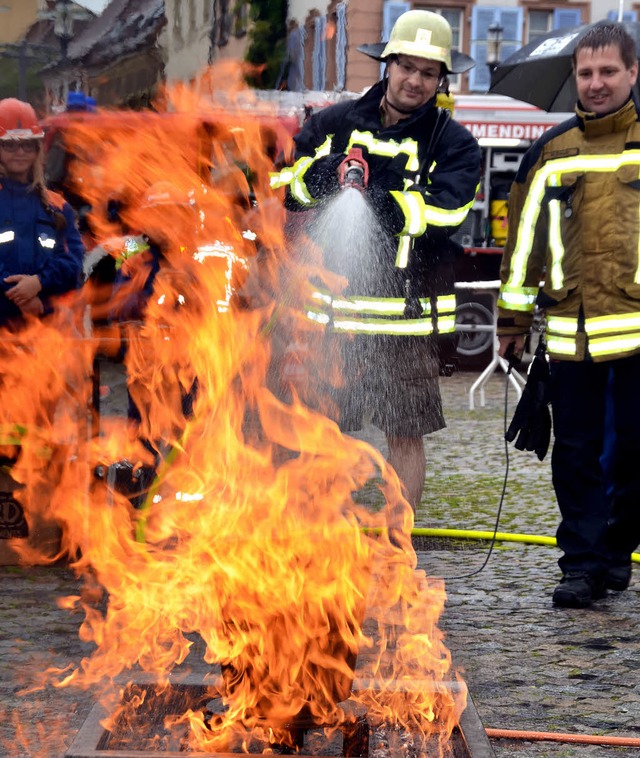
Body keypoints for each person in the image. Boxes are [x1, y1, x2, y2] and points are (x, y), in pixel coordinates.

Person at [272, 10, 480, 512]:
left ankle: (398, 541)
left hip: (405, 323)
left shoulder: (453, 144)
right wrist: (328, 174)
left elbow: (447, 211)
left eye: (428, 73)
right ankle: (321, 535)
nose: (415, 80)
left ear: (441, 80)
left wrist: (379, 198)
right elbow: (287, 187)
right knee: (322, 432)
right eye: (406, 67)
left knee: (405, 435)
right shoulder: (333, 125)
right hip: (332, 319)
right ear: (386, 65)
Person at [497, 21, 640, 608]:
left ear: (633, 73)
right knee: (575, 456)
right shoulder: (549, 153)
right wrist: (510, 324)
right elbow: (521, 246)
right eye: (586, 73)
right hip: (569, 335)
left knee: (633, 453)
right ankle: (582, 564)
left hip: (637, 334)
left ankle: (614, 548)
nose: (597, 82)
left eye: (609, 71)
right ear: (574, 77)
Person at [0, 98, 84, 327]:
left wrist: (38, 283)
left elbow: (73, 260)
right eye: (10, 144)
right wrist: (18, 295)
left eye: (27, 144)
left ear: (37, 148)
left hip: (46, 331)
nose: (20, 152)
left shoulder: (56, 205)